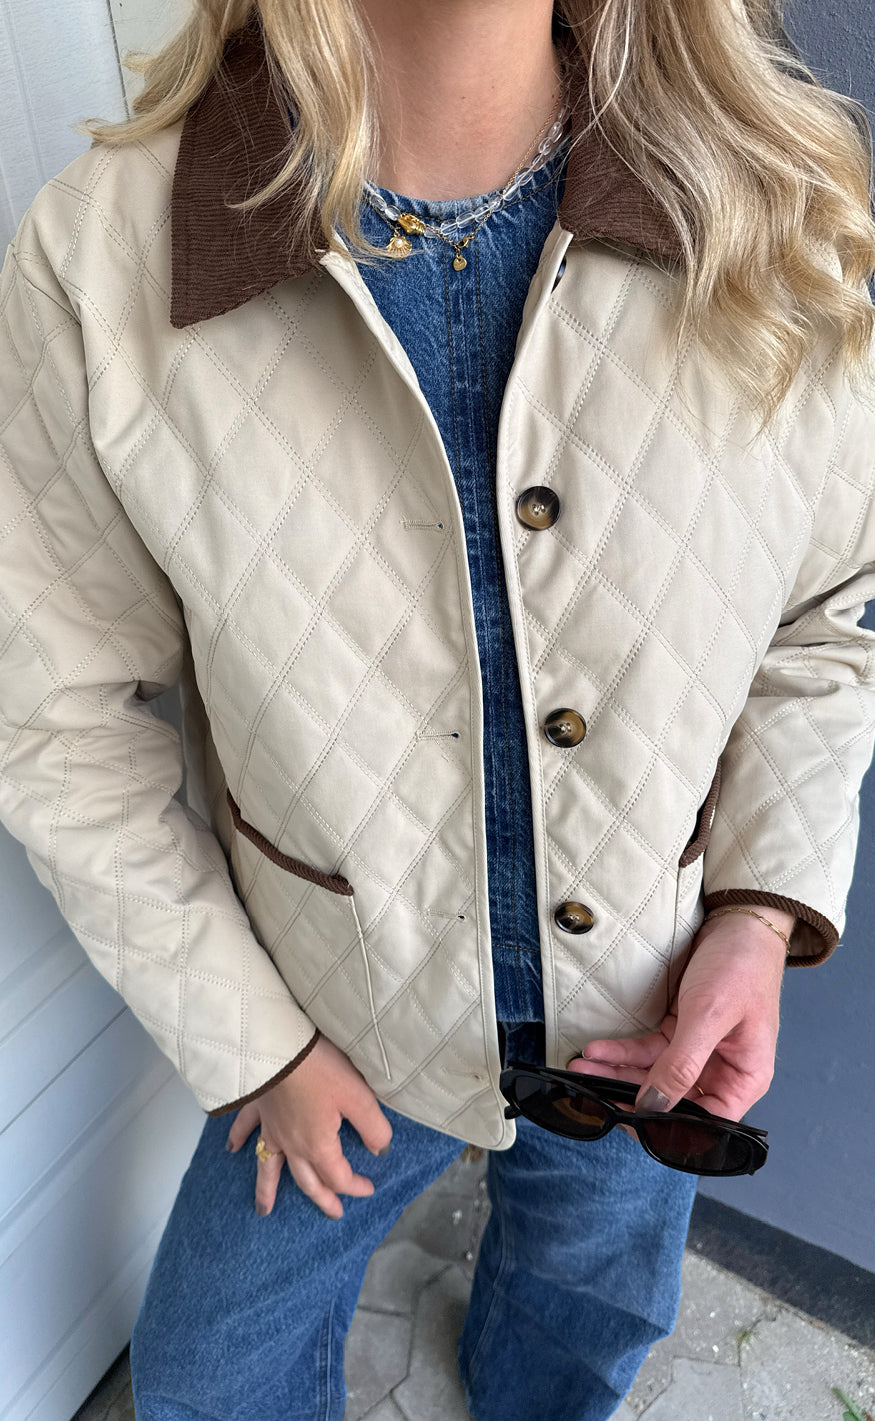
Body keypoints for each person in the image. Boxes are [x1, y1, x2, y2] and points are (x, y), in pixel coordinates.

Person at [2, 0, 875, 1417]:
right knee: (208, 1378)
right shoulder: (102, 259)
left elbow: (827, 618)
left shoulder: (763, 204)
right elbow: (54, 722)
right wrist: (254, 1044)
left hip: (643, 1009)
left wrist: (758, 914)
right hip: (338, 1011)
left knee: (587, 1320)